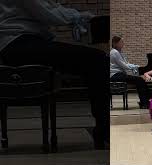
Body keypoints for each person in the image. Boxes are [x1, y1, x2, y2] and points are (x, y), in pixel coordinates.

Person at [0, 0, 109, 150]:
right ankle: (104, 130)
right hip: (17, 42)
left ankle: (103, 128)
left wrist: (78, 17)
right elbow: (46, 11)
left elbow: (50, 8)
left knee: (94, 59)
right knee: (97, 59)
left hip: (20, 42)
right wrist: (79, 17)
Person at [110, 35, 152, 109]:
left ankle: (146, 100)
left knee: (140, 79)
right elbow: (124, 66)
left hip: (120, 74)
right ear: (115, 43)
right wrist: (135, 67)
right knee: (139, 79)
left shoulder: (119, 52)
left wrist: (134, 66)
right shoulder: (114, 52)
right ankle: (145, 102)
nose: (123, 43)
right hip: (115, 75)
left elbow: (126, 63)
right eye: (121, 42)